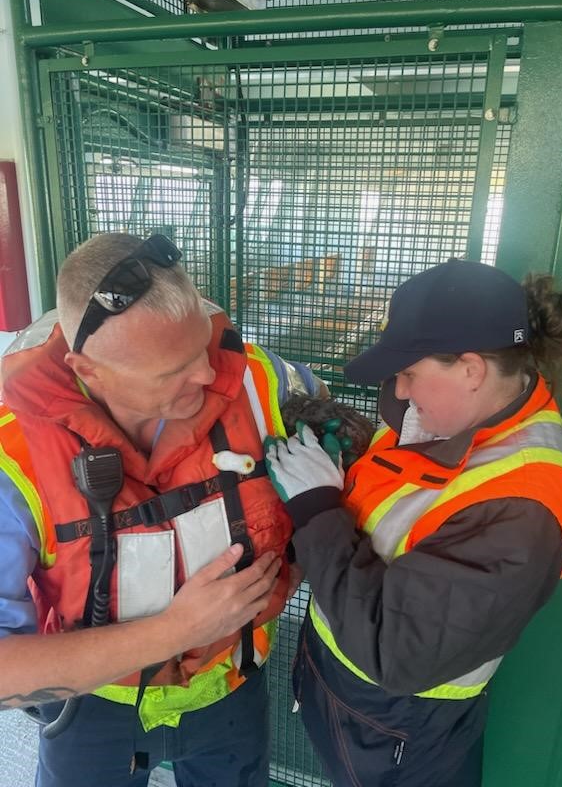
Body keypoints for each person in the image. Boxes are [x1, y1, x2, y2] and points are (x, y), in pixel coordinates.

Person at [0, 232, 322, 787]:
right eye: (170, 371)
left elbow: (330, 431)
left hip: (233, 683)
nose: (205, 375)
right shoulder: (14, 456)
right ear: (89, 370)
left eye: (200, 347)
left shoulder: (256, 378)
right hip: (93, 705)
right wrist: (175, 631)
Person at [265, 258, 562, 787]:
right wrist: (346, 455)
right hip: (349, 705)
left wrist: (317, 508)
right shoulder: (457, 412)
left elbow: (397, 650)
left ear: (471, 368)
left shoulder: (522, 508)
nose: (399, 392)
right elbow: (406, 502)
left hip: (400, 738)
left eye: (410, 373)